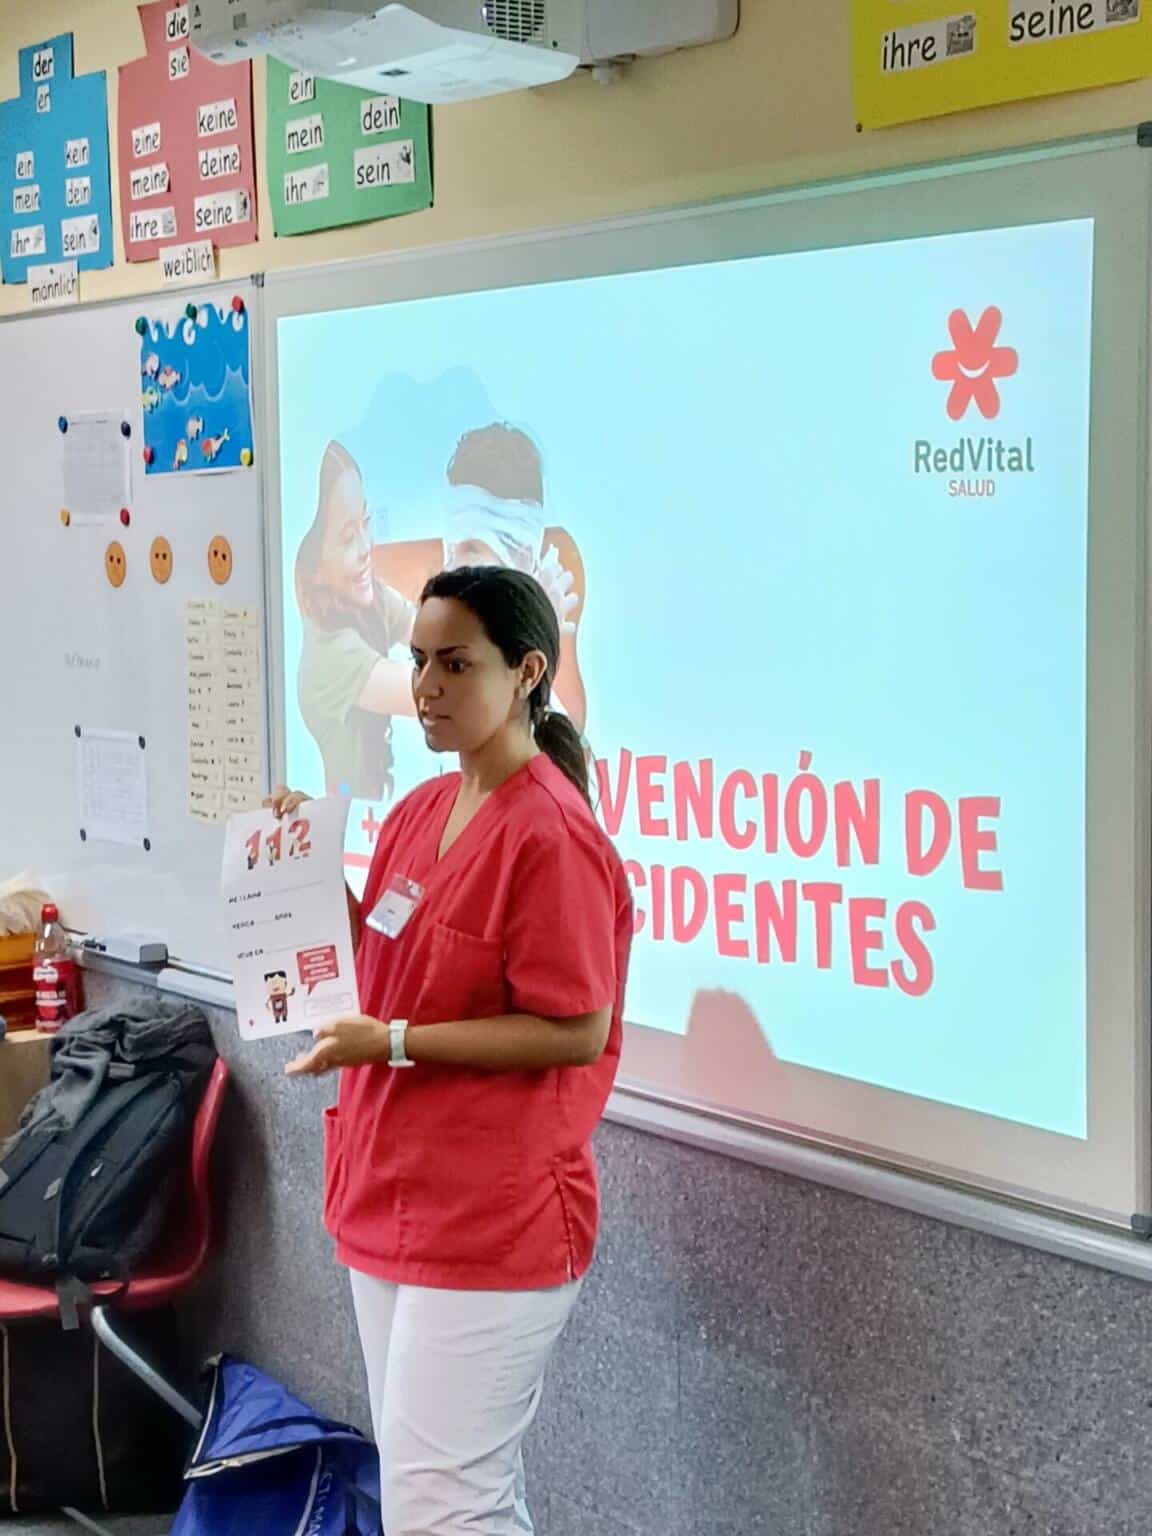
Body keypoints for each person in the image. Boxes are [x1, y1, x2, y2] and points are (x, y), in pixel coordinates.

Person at [266, 566, 633, 1536]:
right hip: (393, 1191)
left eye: (455, 663)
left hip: (493, 1214)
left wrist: (390, 1041)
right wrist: (302, 869)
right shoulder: (419, 813)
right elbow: (382, 961)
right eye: (418, 660)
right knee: (437, 1493)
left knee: (441, 1508)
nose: (425, 686)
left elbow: (577, 1028)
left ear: (526, 673)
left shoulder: (552, 835)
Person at [295, 441, 416, 801]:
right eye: (348, 538)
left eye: (365, 524)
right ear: (314, 569)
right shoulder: (332, 653)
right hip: (352, 833)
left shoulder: (369, 599)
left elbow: (428, 631)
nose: (366, 548)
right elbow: (435, 693)